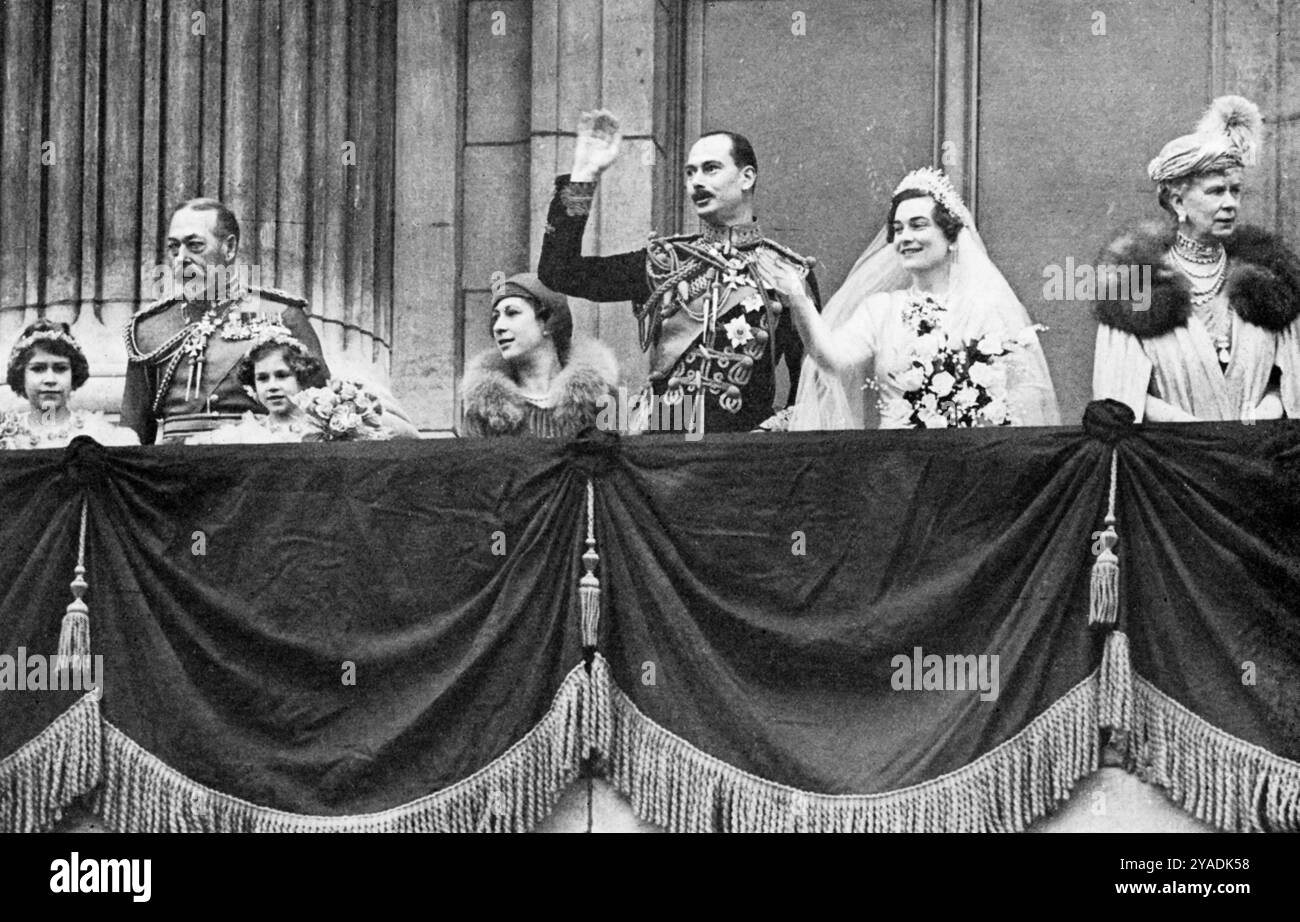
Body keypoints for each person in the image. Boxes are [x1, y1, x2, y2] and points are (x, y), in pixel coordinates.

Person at [537, 110, 819, 434]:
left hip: (742, 452)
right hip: (663, 447)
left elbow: (812, 381)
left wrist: (771, 435)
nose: (696, 182)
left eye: (711, 169)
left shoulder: (786, 272)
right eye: (689, 172)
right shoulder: (665, 262)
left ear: (747, 177)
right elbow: (559, 271)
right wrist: (584, 174)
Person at [770, 168, 1058, 429]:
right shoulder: (881, 310)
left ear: (951, 237)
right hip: (896, 459)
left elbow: (1020, 402)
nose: (905, 237)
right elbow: (832, 358)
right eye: (898, 229)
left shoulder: (984, 308)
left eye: (918, 225)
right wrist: (797, 297)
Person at [1093, 95, 1300, 422]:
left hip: (1256, 446)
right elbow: (1120, 398)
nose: (1231, 203)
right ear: (1178, 202)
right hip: (1170, 449)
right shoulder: (1135, 285)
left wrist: (1256, 419)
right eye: (1216, 191)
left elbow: (1287, 382)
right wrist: (1198, 432)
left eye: (1236, 190)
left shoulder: (1269, 279)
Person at [122, 197, 330, 444]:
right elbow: (134, 430)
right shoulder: (149, 328)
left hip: (254, 458)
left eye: (195, 245)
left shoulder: (280, 313)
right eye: (174, 247)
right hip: (173, 462)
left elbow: (319, 410)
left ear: (229, 248)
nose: (180, 258)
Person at [193, 329, 418, 444]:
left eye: (282, 376)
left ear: (301, 378)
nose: (272, 386)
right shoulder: (246, 433)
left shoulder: (325, 429)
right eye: (262, 378)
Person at [462, 273, 618, 437]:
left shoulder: (600, 399)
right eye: (496, 317)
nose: (498, 327)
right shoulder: (483, 412)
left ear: (549, 322)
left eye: (512, 313)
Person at [1, 320, 138, 449]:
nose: (50, 380)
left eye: (60, 369)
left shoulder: (101, 434)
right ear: (21, 375)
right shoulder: (5, 434)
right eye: (38, 369)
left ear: (74, 374)